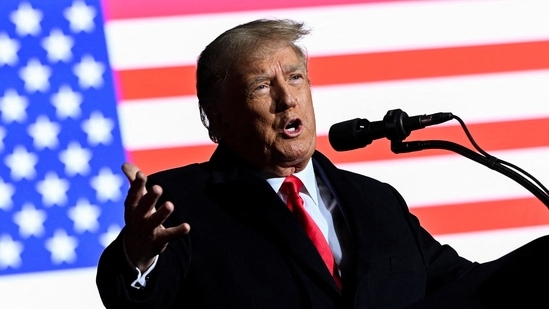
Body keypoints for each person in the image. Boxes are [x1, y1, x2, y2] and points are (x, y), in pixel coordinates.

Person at [96, 19, 549, 308]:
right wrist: (137, 257)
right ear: (217, 118)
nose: (286, 97)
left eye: (295, 78)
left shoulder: (376, 201)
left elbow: (463, 287)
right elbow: (133, 300)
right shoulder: (181, 204)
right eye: (260, 86)